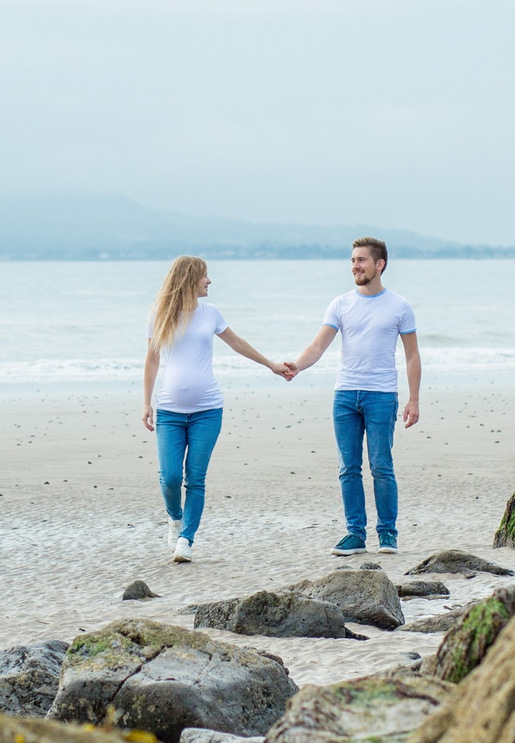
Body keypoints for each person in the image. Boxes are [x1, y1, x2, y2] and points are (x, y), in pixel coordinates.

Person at [143, 255, 293, 562]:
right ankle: (175, 518)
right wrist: (146, 402)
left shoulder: (210, 313)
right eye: (204, 276)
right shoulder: (160, 314)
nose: (209, 281)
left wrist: (271, 365)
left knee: (195, 478)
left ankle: (186, 538)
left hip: (208, 411)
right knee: (170, 477)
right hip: (170, 412)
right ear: (188, 279)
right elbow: (152, 359)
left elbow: (237, 344)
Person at [283, 237, 420, 553]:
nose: (355, 266)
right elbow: (318, 346)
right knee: (348, 467)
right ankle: (355, 534)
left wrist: (413, 399)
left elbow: (412, 355)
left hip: (382, 396)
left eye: (361, 260)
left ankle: (387, 533)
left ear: (379, 264)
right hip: (345, 394)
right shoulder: (340, 304)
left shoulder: (400, 306)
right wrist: (297, 366)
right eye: (352, 261)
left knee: (381, 465)